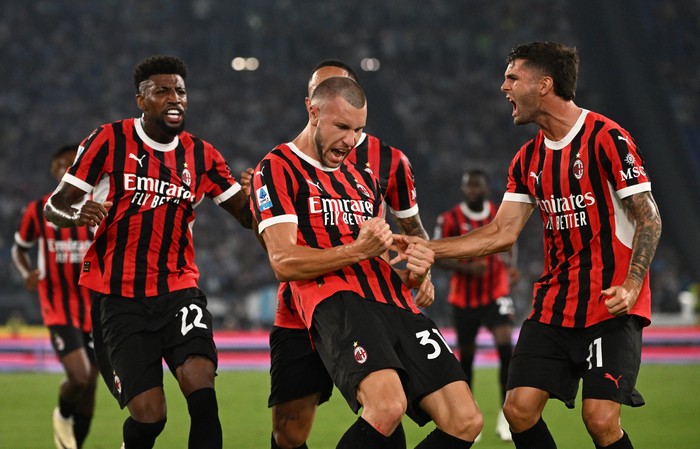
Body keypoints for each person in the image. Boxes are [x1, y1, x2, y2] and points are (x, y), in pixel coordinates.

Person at [395, 42, 662, 449]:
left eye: (512, 77)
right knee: (518, 411)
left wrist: (631, 283)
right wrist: (431, 248)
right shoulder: (527, 159)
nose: (503, 87)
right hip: (554, 306)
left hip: (610, 306)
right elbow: (501, 233)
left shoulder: (607, 138)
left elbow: (650, 217)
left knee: (601, 419)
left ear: (544, 84)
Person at [251, 75, 482, 449]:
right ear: (313, 111)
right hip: (337, 300)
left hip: (394, 301)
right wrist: (358, 250)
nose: (350, 140)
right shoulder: (277, 167)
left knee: (465, 420)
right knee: (387, 406)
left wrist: (413, 264)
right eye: (342, 127)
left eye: (358, 130)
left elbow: (381, 250)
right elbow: (283, 261)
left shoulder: (363, 178)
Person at [43, 55, 252, 449]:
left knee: (203, 395)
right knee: (151, 416)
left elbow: (245, 215)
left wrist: (262, 195)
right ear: (141, 100)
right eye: (163, 91)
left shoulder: (203, 154)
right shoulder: (107, 140)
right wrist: (74, 215)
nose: (175, 98)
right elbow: (55, 205)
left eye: (180, 91)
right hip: (120, 299)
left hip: (178, 291)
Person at [12, 144, 99, 449]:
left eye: (73, 164)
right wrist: (26, 273)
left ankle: (74, 445)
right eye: (61, 166)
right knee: (79, 376)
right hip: (58, 307)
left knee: (90, 388)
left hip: (96, 308)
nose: (67, 170)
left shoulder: (98, 205)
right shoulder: (39, 210)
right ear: (54, 172)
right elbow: (19, 248)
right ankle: (62, 414)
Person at [433, 169, 518, 442]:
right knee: (466, 359)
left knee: (506, 348)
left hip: (496, 292)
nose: (471, 191)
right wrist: (469, 270)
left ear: (485, 188)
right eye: (468, 186)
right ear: (463, 189)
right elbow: (436, 253)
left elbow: (510, 239)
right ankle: (468, 416)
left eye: (476, 186)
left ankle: (507, 417)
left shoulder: (498, 213)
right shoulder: (449, 219)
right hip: (464, 298)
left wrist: (511, 267)